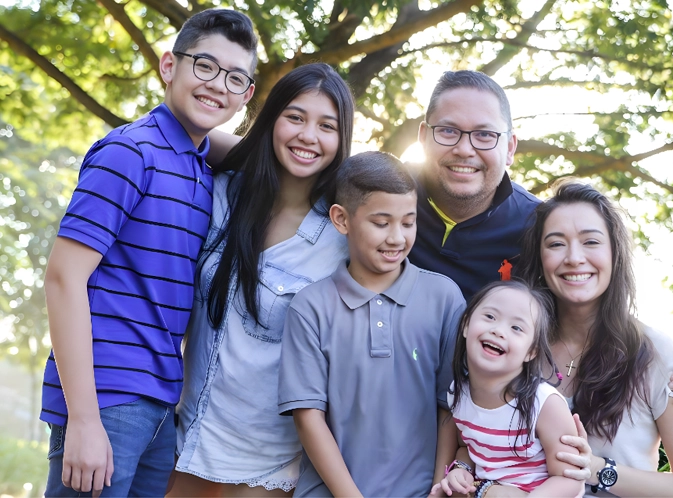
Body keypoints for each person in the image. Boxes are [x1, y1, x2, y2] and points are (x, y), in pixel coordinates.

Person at [406, 69, 673, 420]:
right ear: (423, 137)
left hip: (479, 428)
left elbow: (589, 302)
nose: (464, 149)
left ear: (509, 148)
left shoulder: (540, 228)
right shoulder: (385, 200)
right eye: (448, 131)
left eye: (484, 135)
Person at [40, 9, 256, 496]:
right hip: (107, 400)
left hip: (161, 404)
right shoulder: (129, 153)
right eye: (204, 65)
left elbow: (261, 152)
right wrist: (85, 420)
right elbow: (63, 279)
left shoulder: (202, 168)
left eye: (235, 78)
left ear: (246, 96)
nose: (217, 85)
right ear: (168, 66)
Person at [167, 63, 355, 497]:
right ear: (270, 120)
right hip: (182, 441)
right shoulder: (220, 194)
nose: (309, 136)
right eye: (295, 117)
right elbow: (180, 133)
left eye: (327, 126)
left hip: (265, 465)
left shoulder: (342, 242)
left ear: (342, 140)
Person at [277, 151, 466, 497]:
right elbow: (308, 417)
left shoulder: (444, 297)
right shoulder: (311, 307)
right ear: (341, 219)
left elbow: (451, 407)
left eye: (408, 222)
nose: (397, 238)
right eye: (381, 223)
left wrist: (440, 487)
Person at [516, 180, 673, 497]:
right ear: (540, 260)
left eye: (591, 242)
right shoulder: (520, 348)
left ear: (615, 254)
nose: (574, 257)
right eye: (555, 244)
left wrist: (596, 470)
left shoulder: (655, 353)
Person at [432, 280, 584, 498]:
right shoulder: (459, 393)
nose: (498, 331)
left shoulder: (544, 404)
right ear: (466, 324)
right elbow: (470, 448)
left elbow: (570, 479)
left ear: (532, 351)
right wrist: (461, 470)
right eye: (490, 317)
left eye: (516, 328)